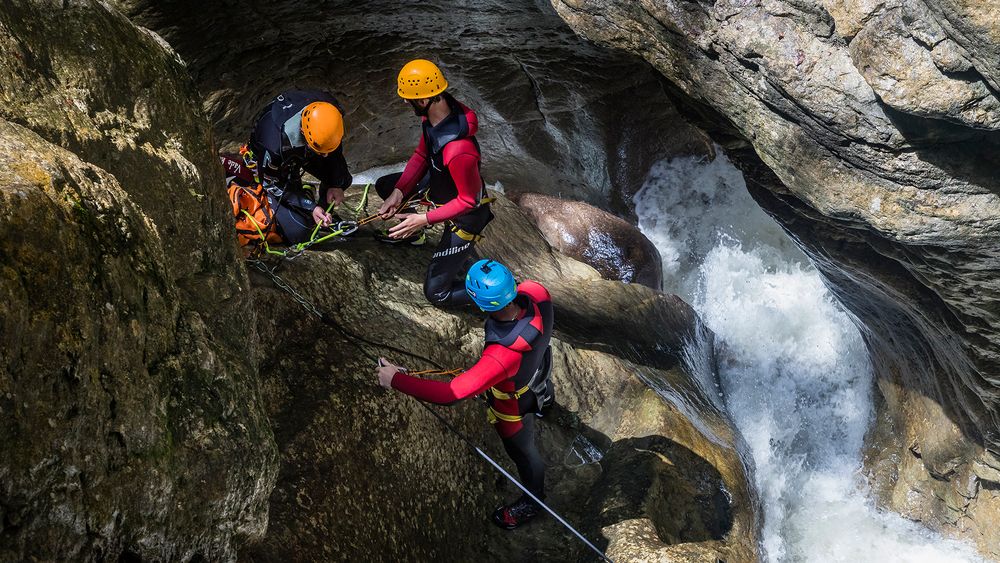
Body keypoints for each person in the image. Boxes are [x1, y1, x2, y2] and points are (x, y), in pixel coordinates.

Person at [376, 259, 554, 529]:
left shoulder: (501, 356)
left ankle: (533, 502)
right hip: (539, 370)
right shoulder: (536, 292)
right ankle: (545, 405)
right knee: (537, 390)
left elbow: (450, 393)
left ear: (482, 305)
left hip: (512, 405)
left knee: (523, 452)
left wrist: (396, 379)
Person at [373, 59, 493, 307]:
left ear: (424, 100)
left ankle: (503, 294)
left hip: (464, 215)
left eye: (408, 98)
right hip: (439, 183)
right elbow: (421, 155)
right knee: (385, 185)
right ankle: (412, 236)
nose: (405, 102)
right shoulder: (436, 115)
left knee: (437, 294)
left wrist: (423, 219)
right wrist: (398, 192)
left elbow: (468, 201)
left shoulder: (459, 150)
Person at [245, 89, 353, 244]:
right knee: (299, 233)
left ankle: (323, 211)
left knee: (342, 179)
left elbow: (332, 150)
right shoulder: (273, 143)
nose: (325, 157)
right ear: (302, 132)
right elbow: (271, 183)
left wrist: (335, 183)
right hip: (274, 165)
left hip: (306, 148)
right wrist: (309, 207)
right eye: (321, 151)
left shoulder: (329, 112)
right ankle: (310, 204)